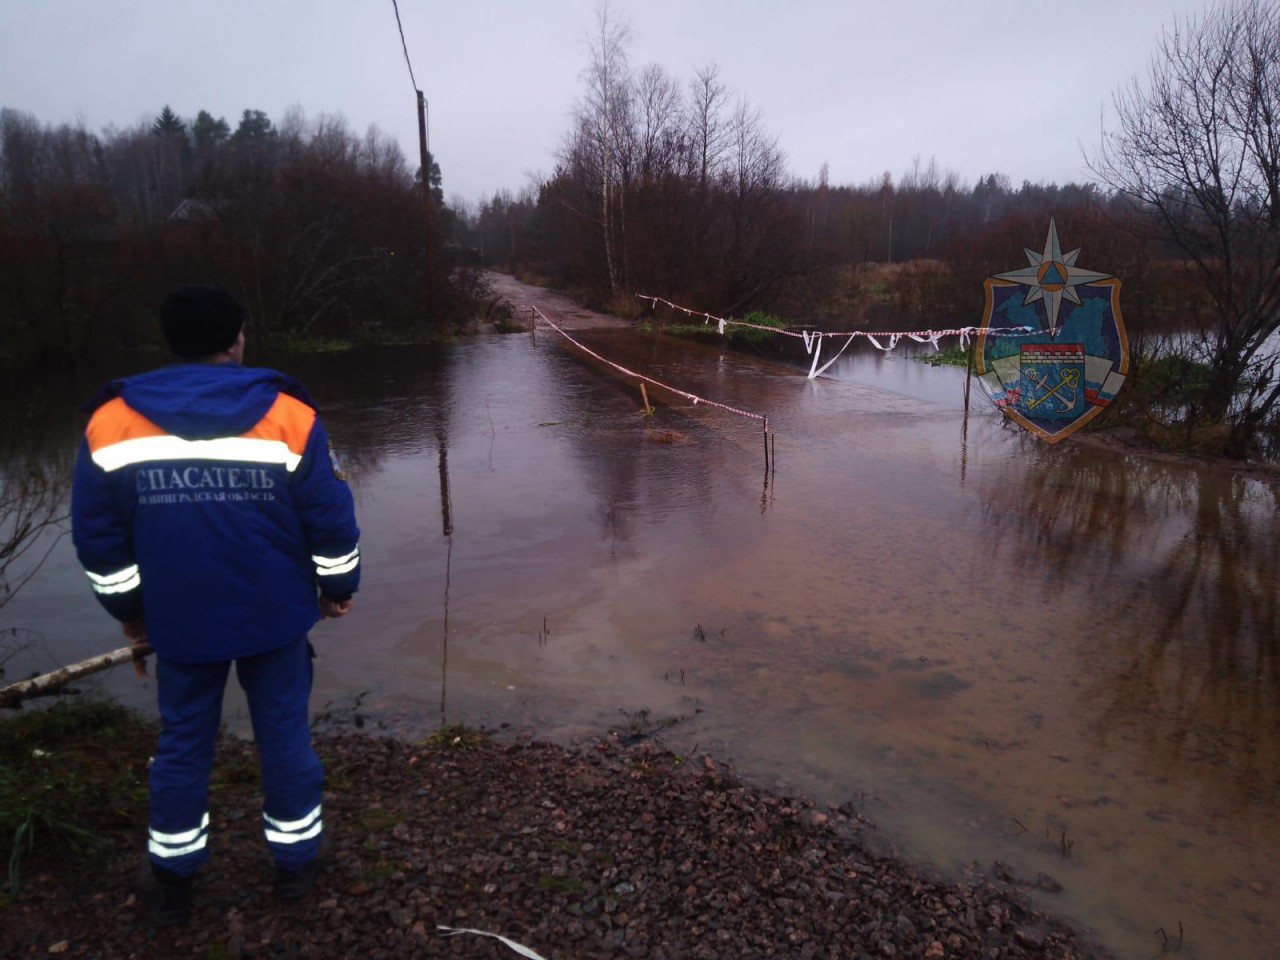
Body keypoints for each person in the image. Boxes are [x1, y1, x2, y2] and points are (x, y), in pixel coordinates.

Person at [71, 284, 360, 926]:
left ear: (171, 342)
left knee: (182, 743)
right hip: (275, 614)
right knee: (284, 735)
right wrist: (338, 589)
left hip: (178, 619)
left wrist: (132, 615)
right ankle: (295, 866)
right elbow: (331, 520)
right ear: (237, 338)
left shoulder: (110, 422)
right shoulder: (290, 415)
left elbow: (100, 542)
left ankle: (174, 879)